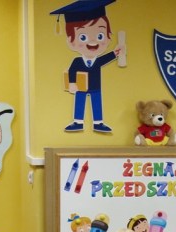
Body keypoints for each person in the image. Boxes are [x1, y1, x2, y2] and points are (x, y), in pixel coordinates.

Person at [51, 0, 124, 133]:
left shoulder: (97, 61)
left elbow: (105, 59)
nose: (93, 41)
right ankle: (78, 122)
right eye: (83, 37)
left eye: (100, 35)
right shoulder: (77, 61)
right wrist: (72, 83)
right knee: (79, 103)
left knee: (97, 104)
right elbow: (72, 71)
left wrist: (115, 53)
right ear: (71, 42)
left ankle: (98, 123)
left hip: (96, 88)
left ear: (108, 37)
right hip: (80, 88)